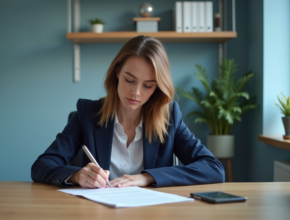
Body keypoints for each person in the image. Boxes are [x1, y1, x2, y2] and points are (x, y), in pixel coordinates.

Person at [31, 35, 224, 188]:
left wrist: (147, 178)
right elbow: (41, 166)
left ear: (158, 87)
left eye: (148, 85)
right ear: (117, 73)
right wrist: (76, 176)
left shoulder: (170, 118)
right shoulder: (87, 113)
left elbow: (214, 169)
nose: (136, 92)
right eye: (129, 80)